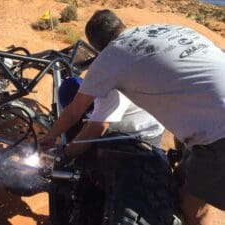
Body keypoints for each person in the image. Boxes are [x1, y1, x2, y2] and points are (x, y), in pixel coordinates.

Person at [39, 9, 225, 225]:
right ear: (121, 25)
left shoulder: (111, 57)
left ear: (97, 47)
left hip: (217, 136)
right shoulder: (166, 29)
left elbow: (74, 112)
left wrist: (53, 141)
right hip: (205, 130)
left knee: (193, 207)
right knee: (181, 178)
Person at [57, 76, 164, 158]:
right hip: (125, 126)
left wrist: (64, 154)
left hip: (146, 135)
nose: (89, 113)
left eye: (89, 109)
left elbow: (92, 133)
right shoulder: (95, 92)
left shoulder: (110, 94)